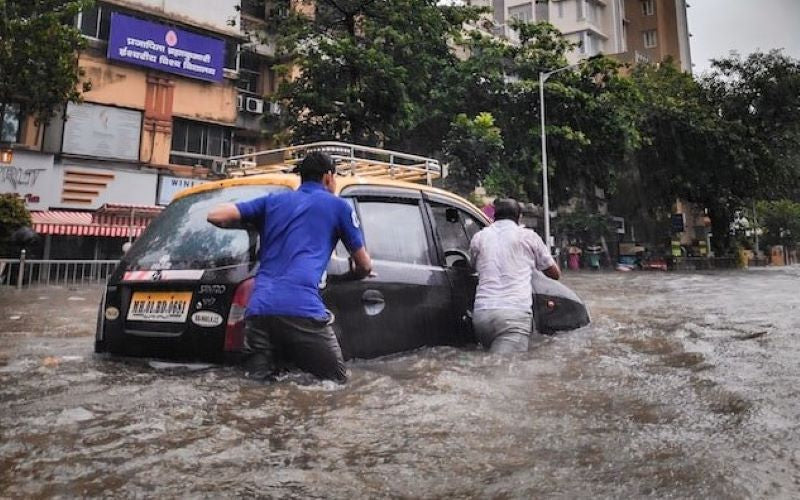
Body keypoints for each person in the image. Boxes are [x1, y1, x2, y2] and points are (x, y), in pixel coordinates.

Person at [207, 151, 372, 382]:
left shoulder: (272, 201)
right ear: (328, 177)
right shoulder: (339, 207)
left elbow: (215, 215)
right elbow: (364, 264)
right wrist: (352, 274)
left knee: (257, 389)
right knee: (337, 385)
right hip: (303, 310)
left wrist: (253, 223)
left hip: (259, 311)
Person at [469, 198, 561, 353]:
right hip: (513, 316)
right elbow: (554, 273)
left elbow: (472, 266)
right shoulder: (528, 237)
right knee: (505, 370)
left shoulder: (479, 238)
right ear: (519, 217)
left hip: (482, 315)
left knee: (489, 365)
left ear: (494, 217)